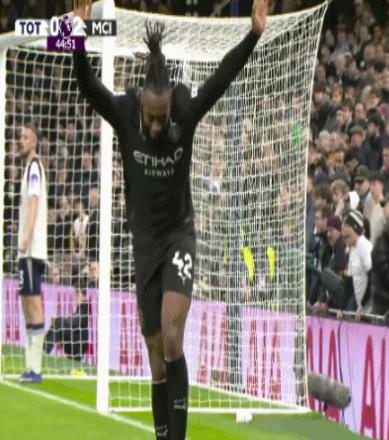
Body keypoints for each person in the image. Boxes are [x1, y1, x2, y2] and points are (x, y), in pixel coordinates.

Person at [71, 1, 269, 439]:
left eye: (162, 118)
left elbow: (222, 76)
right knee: (156, 358)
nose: (158, 126)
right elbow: (86, 85)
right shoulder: (125, 114)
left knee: (172, 334)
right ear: (141, 105)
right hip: (145, 243)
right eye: (152, 118)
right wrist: (78, 36)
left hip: (179, 235)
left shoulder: (184, 112)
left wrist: (254, 34)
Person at [17, 123, 48, 384]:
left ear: (34, 142)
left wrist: (26, 237)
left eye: (26, 137)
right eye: (20, 137)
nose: (21, 140)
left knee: (33, 303)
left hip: (32, 249)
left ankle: (36, 369)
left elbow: (34, 200)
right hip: (26, 251)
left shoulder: (35, 167)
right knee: (26, 304)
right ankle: (30, 366)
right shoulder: (28, 168)